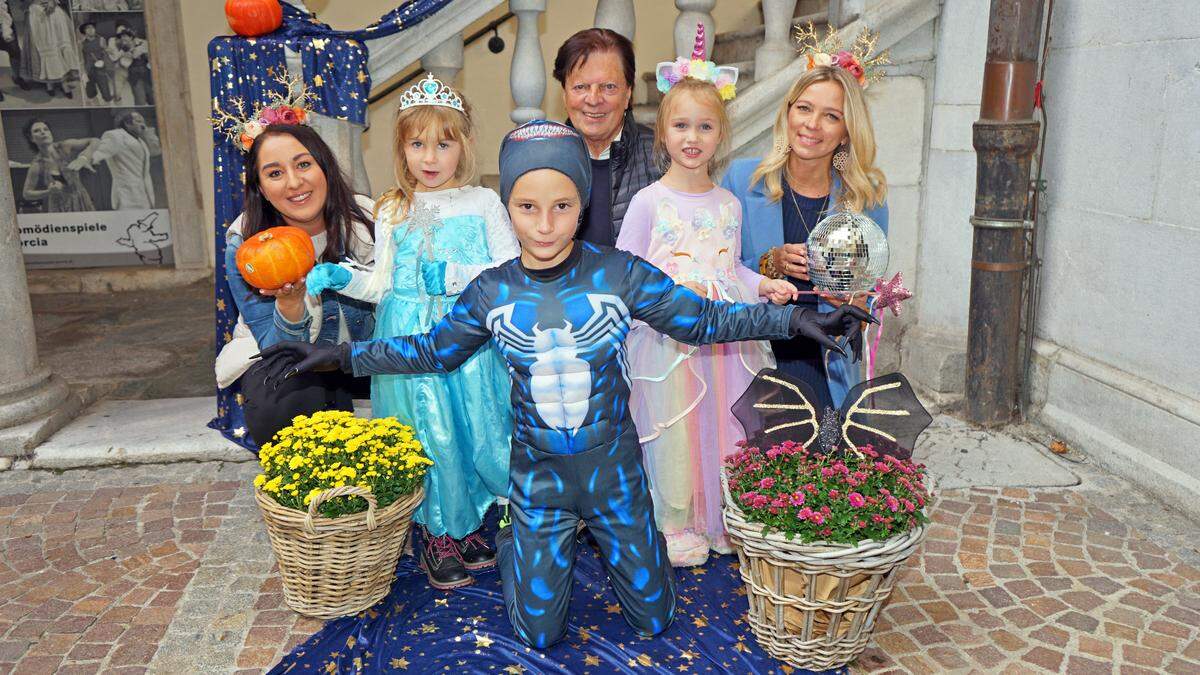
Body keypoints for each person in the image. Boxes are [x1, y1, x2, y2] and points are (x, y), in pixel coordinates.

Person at [257, 120, 874, 649]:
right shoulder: (491, 291)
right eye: (527, 207)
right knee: (537, 634)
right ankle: (513, 545)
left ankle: (597, 549)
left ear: (582, 205)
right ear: (509, 209)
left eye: (562, 207)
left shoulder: (619, 273)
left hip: (616, 476)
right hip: (540, 484)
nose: (545, 225)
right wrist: (342, 354)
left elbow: (706, 318)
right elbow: (432, 350)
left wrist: (790, 316)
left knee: (656, 620)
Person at [304, 75, 517, 591]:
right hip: (405, 338)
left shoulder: (483, 202)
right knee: (428, 432)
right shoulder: (391, 208)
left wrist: (454, 277)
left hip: (465, 336)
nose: (430, 156)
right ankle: (437, 532)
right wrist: (343, 276)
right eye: (417, 143)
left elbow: (510, 271)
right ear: (401, 147)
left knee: (474, 428)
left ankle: (467, 523)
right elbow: (382, 283)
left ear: (463, 145)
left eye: (443, 143)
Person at [616, 39, 798, 568]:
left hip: (727, 341)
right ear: (662, 132)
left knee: (728, 423)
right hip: (668, 340)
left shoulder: (728, 202)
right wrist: (670, 292)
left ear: (721, 134)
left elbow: (732, 266)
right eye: (681, 126)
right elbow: (627, 274)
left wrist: (762, 287)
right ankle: (675, 523)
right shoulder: (650, 202)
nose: (692, 137)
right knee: (674, 428)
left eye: (704, 126)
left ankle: (725, 517)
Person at [724, 64, 888, 412]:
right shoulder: (741, 180)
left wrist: (855, 305)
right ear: (787, 113)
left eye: (831, 116)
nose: (812, 124)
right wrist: (772, 262)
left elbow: (868, 293)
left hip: (825, 360)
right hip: (754, 353)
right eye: (804, 108)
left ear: (846, 132)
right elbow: (719, 271)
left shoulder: (865, 198)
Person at [215, 123, 376, 448]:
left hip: (365, 353)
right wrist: (290, 307)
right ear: (259, 186)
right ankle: (301, 477)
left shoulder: (368, 219)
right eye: (274, 173)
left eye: (303, 164)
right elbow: (277, 348)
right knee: (281, 392)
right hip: (292, 358)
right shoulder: (245, 243)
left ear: (324, 167)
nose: (294, 182)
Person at [552, 27, 659, 246]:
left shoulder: (661, 156)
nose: (593, 99)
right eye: (580, 87)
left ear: (628, 93)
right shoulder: (543, 158)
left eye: (608, 87)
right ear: (564, 94)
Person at [20, 118, 97, 213]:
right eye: (37, 131)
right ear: (31, 138)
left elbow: (95, 141)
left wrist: (84, 158)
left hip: (82, 200)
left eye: (46, 129)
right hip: (59, 208)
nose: (43, 132)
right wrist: (48, 192)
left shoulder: (65, 146)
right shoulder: (37, 164)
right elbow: (26, 194)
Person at [91, 111, 161, 210]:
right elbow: (99, 151)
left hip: (145, 195)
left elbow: (156, 151)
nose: (143, 125)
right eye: (139, 121)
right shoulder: (115, 136)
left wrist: (148, 133)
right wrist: (89, 159)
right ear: (127, 124)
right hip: (127, 196)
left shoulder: (140, 141)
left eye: (144, 122)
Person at [26, 0, 77, 98]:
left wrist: (53, 1)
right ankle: (49, 83)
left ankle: (64, 83)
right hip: (36, 12)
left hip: (55, 12)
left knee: (60, 46)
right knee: (46, 46)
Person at [77, 22, 113, 104]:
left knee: (106, 93)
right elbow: (81, 58)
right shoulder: (81, 43)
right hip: (88, 70)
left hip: (100, 69)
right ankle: (96, 107)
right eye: (88, 28)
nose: (91, 30)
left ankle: (108, 106)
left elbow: (108, 53)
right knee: (91, 93)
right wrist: (83, 72)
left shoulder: (101, 39)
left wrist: (108, 49)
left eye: (92, 27)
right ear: (84, 31)